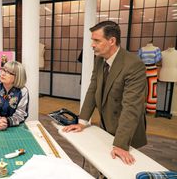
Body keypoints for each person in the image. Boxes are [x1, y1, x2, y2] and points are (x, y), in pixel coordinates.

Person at [63, 21, 147, 165]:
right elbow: (93, 89)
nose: (92, 45)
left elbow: (131, 107)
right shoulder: (99, 60)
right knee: (100, 164)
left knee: (120, 169)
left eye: (96, 40)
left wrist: (121, 144)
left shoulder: (134, 64)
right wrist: (82, 121)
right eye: (92, 40)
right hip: (106, 124)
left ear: (111, 41)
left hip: (126, 131)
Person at [0, 61, 29, 130]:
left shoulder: (23, 91)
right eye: (3, 70)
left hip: (14, 128)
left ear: (17, 76)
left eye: (8, 72)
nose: (3, 74)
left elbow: (21, 114)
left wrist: (7, 122)